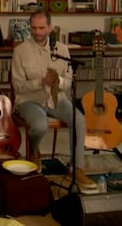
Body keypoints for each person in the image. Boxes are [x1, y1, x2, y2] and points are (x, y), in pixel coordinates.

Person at [11, 10, 96, 189]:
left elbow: (69, 80)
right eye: (34, 28)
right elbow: (18, 86)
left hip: (56, 98)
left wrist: (59, 81)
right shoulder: (20, 51)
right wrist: (40, 82)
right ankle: (34, 152)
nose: (38, 32)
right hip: (29, 100)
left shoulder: (62, 49)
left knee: (79, 120)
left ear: (50, 27)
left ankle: (76, 168)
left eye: (42, 28)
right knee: (40, 124)